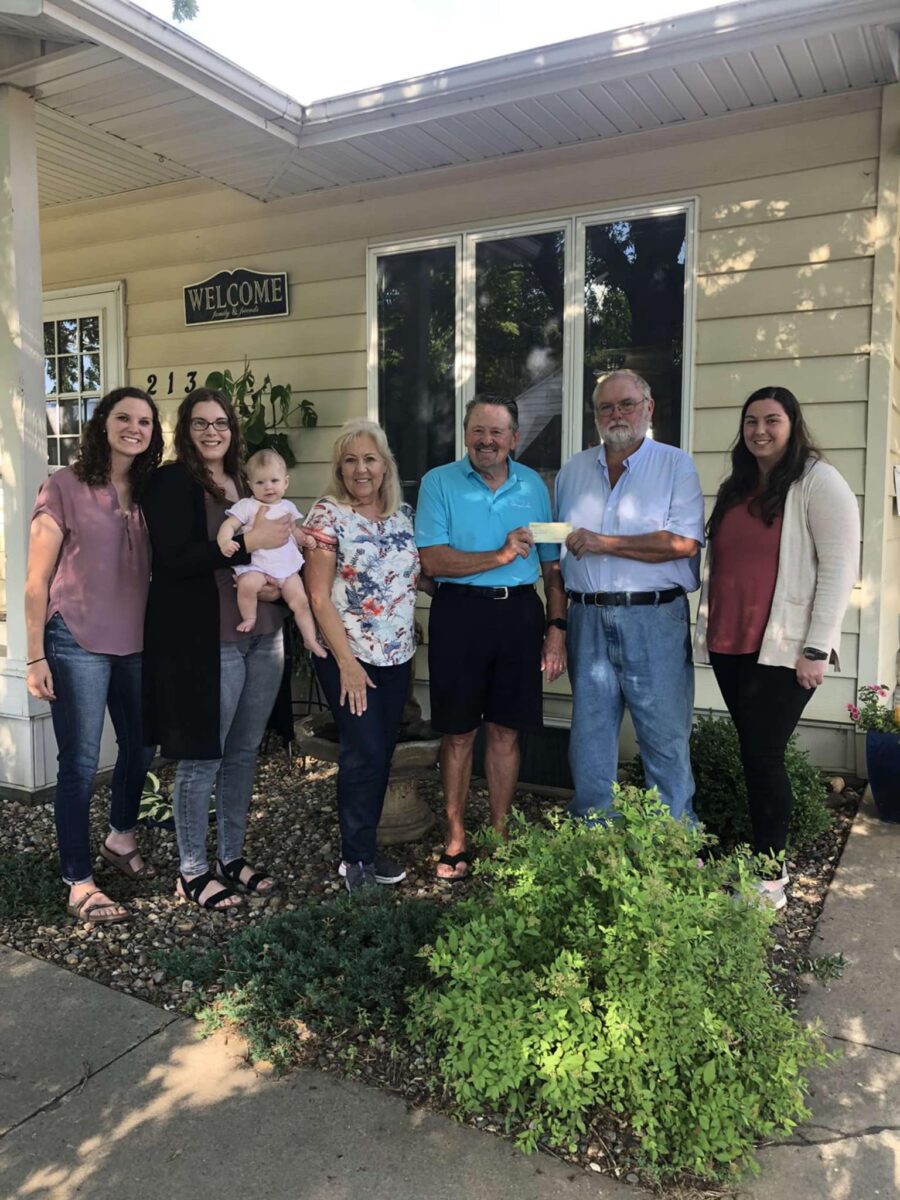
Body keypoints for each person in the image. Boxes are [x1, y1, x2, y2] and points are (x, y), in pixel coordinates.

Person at [694, 386, 859, 908]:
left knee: (763, 755)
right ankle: (761, 857)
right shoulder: (736, 487)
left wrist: (817, 648)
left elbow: (837, 570)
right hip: (730, 642)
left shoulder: (817, 481)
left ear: (793, 424)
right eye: (751, 421)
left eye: (772, 420)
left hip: (784, 648)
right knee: (754, 753)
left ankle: (771, 877)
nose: (760, 430)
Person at [142, 388, 293, 910]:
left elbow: (285, 549)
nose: (212, 431)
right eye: (201, 422)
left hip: (265, 631)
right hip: (210, 639)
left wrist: (279, 583)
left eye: (222, 422)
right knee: (203, 753)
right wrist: (252, 544)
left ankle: (230, 856)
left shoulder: (248, 483)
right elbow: (175, 557)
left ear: (234, 429)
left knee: (244, 751)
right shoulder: (171, 482)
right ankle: (191, 870)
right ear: (185, 428)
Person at [24, 387, 164, 924]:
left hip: (137, 642)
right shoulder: (64, 485)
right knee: (80, 763)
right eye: (124, 417)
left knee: (142, 745)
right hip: (75, 639)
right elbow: (36, 580)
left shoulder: (150, 492)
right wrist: (34, 656)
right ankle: (78, 880)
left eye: (146, 421)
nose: (134, 427)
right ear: (103, 423)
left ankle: (121, 837)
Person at [415, 396, 567, 881]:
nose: (487, 440)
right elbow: (433, 561)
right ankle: (456, 838)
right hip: (459, 613)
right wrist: (499, 556)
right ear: (466, 434)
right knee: (458, 732)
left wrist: (556, 630)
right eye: (478, 431)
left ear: (514, 438)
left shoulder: (534, 486)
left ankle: (499, 835)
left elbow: (551, 567)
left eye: (497, 432)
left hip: (520, 614)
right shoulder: (439, 482)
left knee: (505, 729)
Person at [554, 369, 704, 822]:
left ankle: (672, 840)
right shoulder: (573, 471)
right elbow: (557, 552)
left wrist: (604, 542)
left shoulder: (675, 465)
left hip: (654, 618)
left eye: (626, 404)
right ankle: (594, 836)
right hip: (587, 618)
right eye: (605, 407)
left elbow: (684, 544)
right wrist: (557, 623)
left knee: (664, 735)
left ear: (649, 408)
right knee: (590, 736)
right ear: (595, 414)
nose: (616, 414)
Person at [304, 419, 421, 894]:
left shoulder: (401, 514)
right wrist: (348, 664)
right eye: (350, 460)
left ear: (385, 464)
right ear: (339, 468)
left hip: (397, 655)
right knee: (363, 753)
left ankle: (366, 849)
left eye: (369, 458)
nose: (360, 469)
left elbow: (412, 575)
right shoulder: (327, 516)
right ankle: (355, 862)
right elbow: (317, 597)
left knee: (381, 753)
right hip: (347, 656)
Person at [217, 447, 324, 654]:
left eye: (274, 481)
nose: (268, 487)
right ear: (250, 485)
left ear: (285, 482)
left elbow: (293, 530)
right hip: (257, 566)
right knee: (246, 584)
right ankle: (250, 616)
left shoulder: (287, 507)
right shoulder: (247, 505)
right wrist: (225, 541)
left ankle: (309, 639)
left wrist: (305, 539)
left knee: (300, 601)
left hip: (285, 568)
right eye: (260, 482)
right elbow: (229, 525)